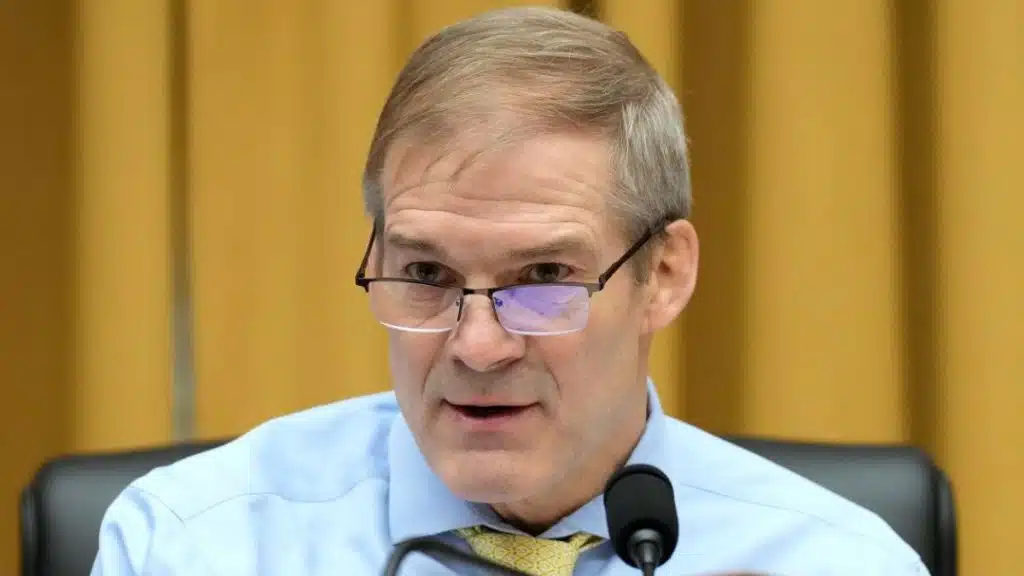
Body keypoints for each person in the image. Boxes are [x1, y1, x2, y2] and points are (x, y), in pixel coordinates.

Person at [91, 7, 929, 575]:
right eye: (426, 275)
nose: (478, 346)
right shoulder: (195, 543)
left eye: (544, 278)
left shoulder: (836, 562)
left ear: (664, 275)